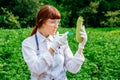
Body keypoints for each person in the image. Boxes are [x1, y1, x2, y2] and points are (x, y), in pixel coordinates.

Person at [22, 5, 87, 80]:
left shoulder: (60, 40)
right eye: (52, 22)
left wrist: (81, 46)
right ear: (41, 21)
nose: (56, 26)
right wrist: (53, 48)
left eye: (58, 22)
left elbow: (73, 68)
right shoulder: (28, 43)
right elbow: (36, 69)